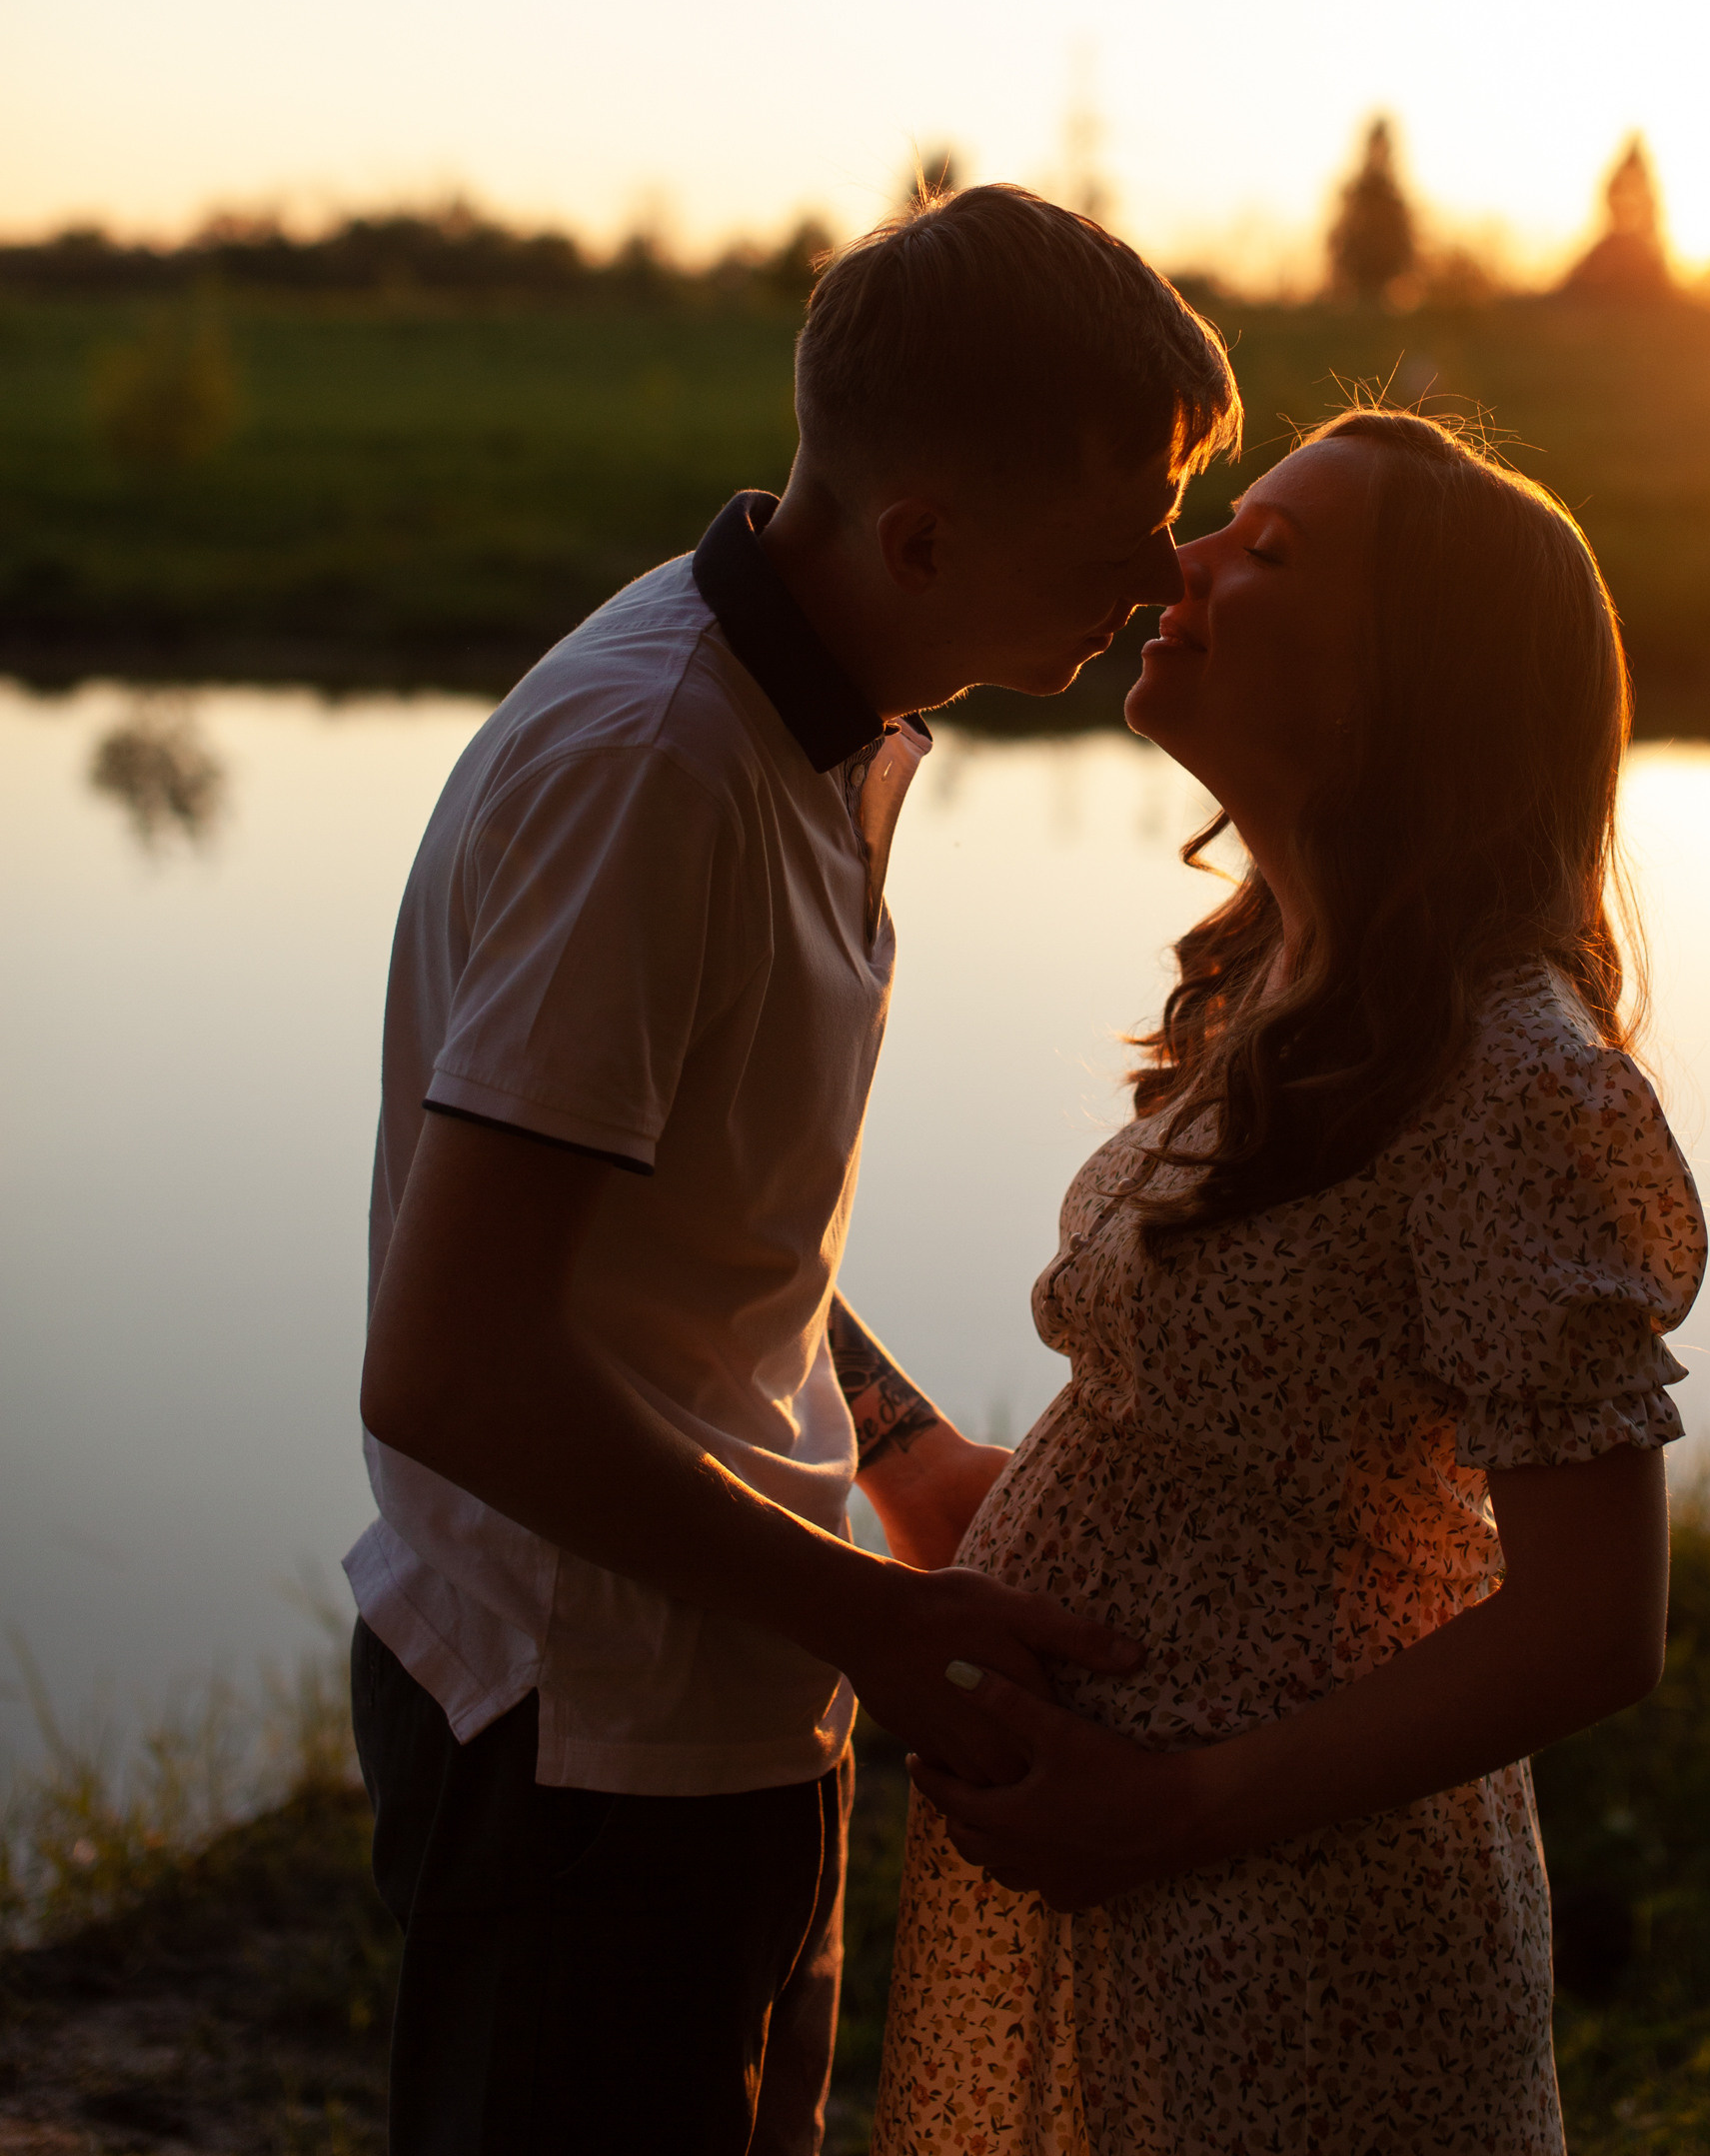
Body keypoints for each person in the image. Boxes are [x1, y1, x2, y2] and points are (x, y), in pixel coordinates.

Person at [344, 183, 1241, 2153]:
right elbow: (449, 1368)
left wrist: (903, 1461)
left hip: (727, 1685)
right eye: (1116, 536)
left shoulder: (823, 717)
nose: (1162, 578)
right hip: (580, 1735)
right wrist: (870, 1626)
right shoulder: (657, 771)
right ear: (919, 535)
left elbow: (685, 1218)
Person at [873, 408, 1708, 2155]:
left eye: (1270, 552)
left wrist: (1168, 1812)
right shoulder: (1285, 994)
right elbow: (1216, 1470)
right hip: (1137, 1893)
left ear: (1422, 682)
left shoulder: (1514, 1076)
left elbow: (1591, 1624)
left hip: (1297, 1941)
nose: (1184, 563)